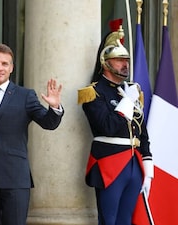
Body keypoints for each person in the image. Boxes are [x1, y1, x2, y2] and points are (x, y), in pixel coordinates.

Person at [0, 43, 64, 225]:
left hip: (14, 177)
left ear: (11, 68)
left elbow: (48, 123)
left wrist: (54, 107)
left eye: (5, 64)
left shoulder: (25, 96)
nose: (0, 68)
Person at [78, 19, 153, 225]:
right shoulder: (93, 92)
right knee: (109, 220)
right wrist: (127, 102)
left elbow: (142, 134)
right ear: (106, 62)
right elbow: (107, 126)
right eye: (119, 59)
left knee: (126, 221)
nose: (125, 64)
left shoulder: (130, 92)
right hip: (109, 163)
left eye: (126, 59)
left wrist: (148, 168)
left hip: (134, 164)